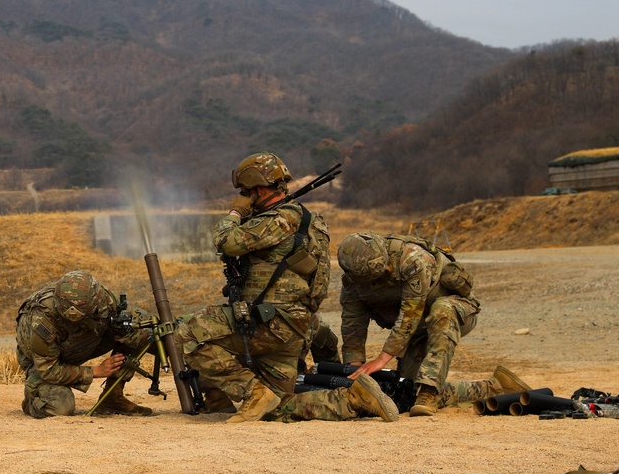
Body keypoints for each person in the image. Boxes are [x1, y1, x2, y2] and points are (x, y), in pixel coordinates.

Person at [174, 152, 398, 423]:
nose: (244, 198)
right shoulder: (311, 221)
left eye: (245, 192)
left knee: (186, 333)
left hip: (268, 324)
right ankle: (353, 399)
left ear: (257, 189)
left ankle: (252, 393)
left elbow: (225, 241)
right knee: (278, 404)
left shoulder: (278, 220)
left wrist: (235, 212)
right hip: (294, 327)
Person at [337, 231, 530, 416]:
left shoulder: (414, 259)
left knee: (442, 310)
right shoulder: (353, 281)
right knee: (407, 391)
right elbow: (353, 325)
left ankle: (429, 392)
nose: (387, 270)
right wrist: (355, 373)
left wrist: (381, 360)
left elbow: (409, 314)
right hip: (418, 328)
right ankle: (496, 387)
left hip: (454, 312)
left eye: (386, 267)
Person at [15, 270, 154, 418]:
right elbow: (48, 369)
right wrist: (97, 371)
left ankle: (113, 398)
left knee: (137, 331)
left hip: (79, 345)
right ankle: (32, 399)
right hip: (43, 362)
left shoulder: (103, 299)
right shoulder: (42, 317)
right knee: (60, 407)